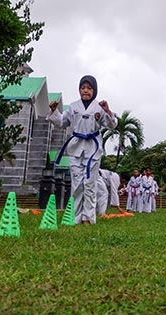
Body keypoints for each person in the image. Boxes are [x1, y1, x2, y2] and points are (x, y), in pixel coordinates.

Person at [47, 75, 117, 225]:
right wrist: (54, 110)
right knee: (77, 183)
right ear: (79, 90)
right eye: (83, 88)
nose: (85, 91)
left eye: (89, 88)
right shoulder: (73, 107)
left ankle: (88, 218)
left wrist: (108, 110)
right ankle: (75, 216)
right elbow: (61, 122)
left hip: (93, 148)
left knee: (90, 184)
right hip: (76, 147)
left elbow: (112, 125)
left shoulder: (99, 107)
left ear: (94, 90)